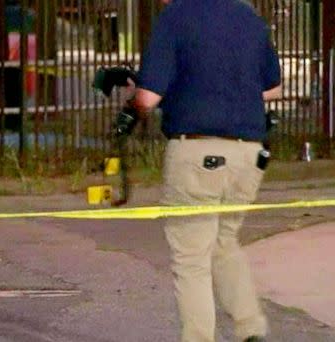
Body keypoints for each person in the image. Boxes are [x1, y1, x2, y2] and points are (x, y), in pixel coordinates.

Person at [129, 0, 282, 341]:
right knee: (224, 242)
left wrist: (132, 103)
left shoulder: (175, 17)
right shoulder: (249, 17)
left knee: (191, 256)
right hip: (249, 154)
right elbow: (272, 88)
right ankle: (249, 329)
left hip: (198, 152)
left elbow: (149, 96)